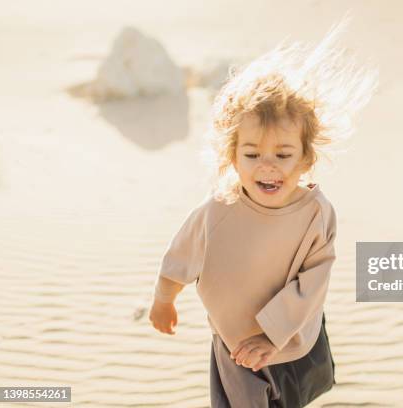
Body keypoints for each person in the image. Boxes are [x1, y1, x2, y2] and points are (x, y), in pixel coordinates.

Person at [149, 18, 377, 407]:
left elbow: (313, 281)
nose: (266, 167)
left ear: (306, 158)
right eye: (252, 154)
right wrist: (163, 300)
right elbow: (179, 258)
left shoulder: (315, 213)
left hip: (293, 343)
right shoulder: (217, 212)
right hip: (237, 350)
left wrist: (272, 335)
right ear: (232, 156)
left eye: (283, 155)